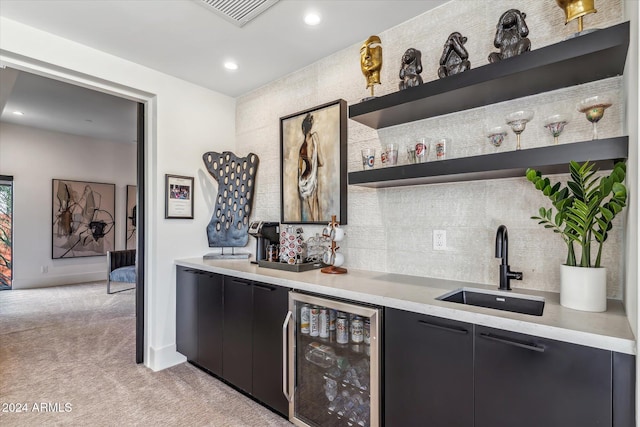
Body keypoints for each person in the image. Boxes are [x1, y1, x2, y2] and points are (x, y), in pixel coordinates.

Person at [298, 113, 323, 222]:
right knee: (314, 212)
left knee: (307, 214)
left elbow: (299, 168)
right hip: (312, 180)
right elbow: (321, 162)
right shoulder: (314, 138)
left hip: (303, 180)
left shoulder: (302, 147)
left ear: (303, 129)